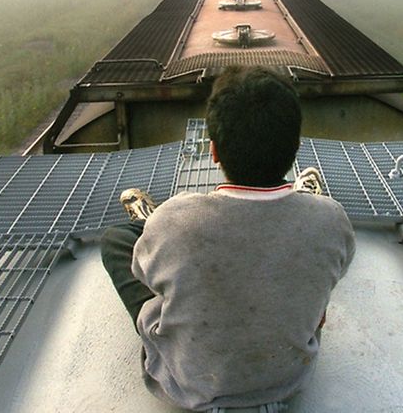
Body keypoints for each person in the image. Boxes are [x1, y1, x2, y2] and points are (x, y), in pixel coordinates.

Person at [100, 65, 356, 411]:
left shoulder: (176, 218)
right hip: (286, 378)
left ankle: (147, 222)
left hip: (187, 382)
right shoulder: (332, 219)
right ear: (295, 148)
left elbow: (148, 278)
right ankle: (300, 194)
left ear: (214, 151)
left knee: (119, 239)